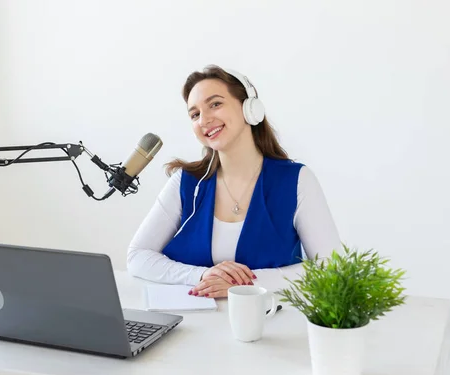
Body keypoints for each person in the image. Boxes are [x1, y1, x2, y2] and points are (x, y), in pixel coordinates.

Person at [127, 64, 340, 298]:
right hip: (194, 325)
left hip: (270, 326)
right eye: (195, 114)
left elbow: (331, 268)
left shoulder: (296, 180)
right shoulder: (187, 183)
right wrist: (200, 276)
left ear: (250, 109)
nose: (204, 120)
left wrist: (246, 284)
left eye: (215, 104)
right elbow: (138, 256)